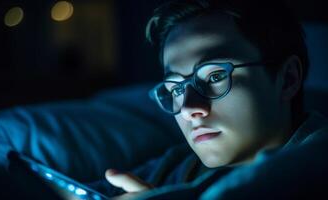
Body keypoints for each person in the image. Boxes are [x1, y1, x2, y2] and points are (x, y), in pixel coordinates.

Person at [88, 0, 328, 199]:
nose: (189, 109)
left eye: (214, 76)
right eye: (176, 89)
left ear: (287, 79)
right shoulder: (177, 166)